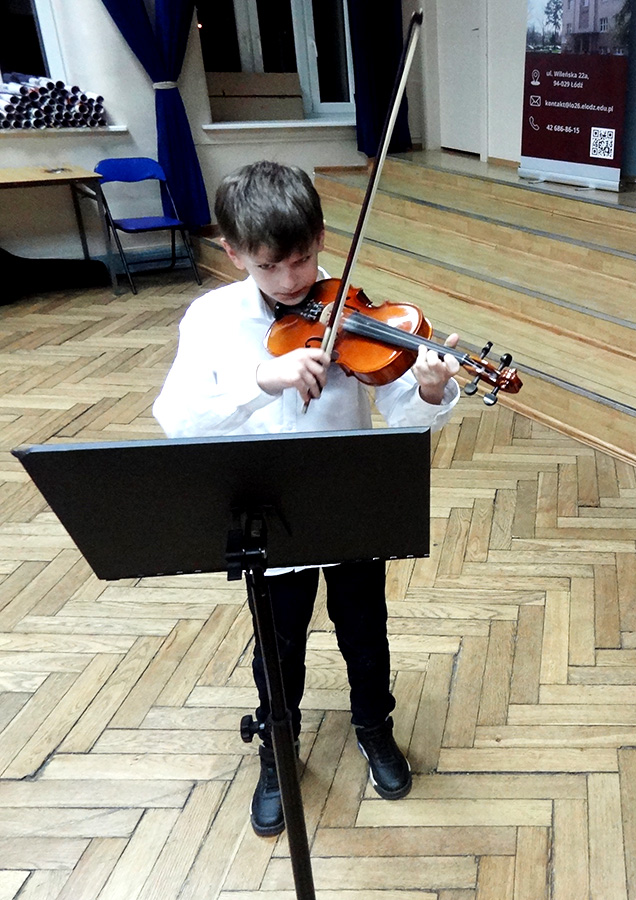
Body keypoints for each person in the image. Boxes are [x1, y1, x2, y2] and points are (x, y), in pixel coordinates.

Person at [152, 160, 461, 837]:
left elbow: (403, 412)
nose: (293, 281)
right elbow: (177, 420)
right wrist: (261, 380)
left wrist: (429, 391)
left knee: (365, 630)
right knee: (277, 642)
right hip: (263, 509)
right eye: (270, 266)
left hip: (347, 499)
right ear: (234, 253)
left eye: (302, 259)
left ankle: (374, 728)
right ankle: (277, 746)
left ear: (322, 237)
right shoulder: (211, 320)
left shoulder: (354, 309)